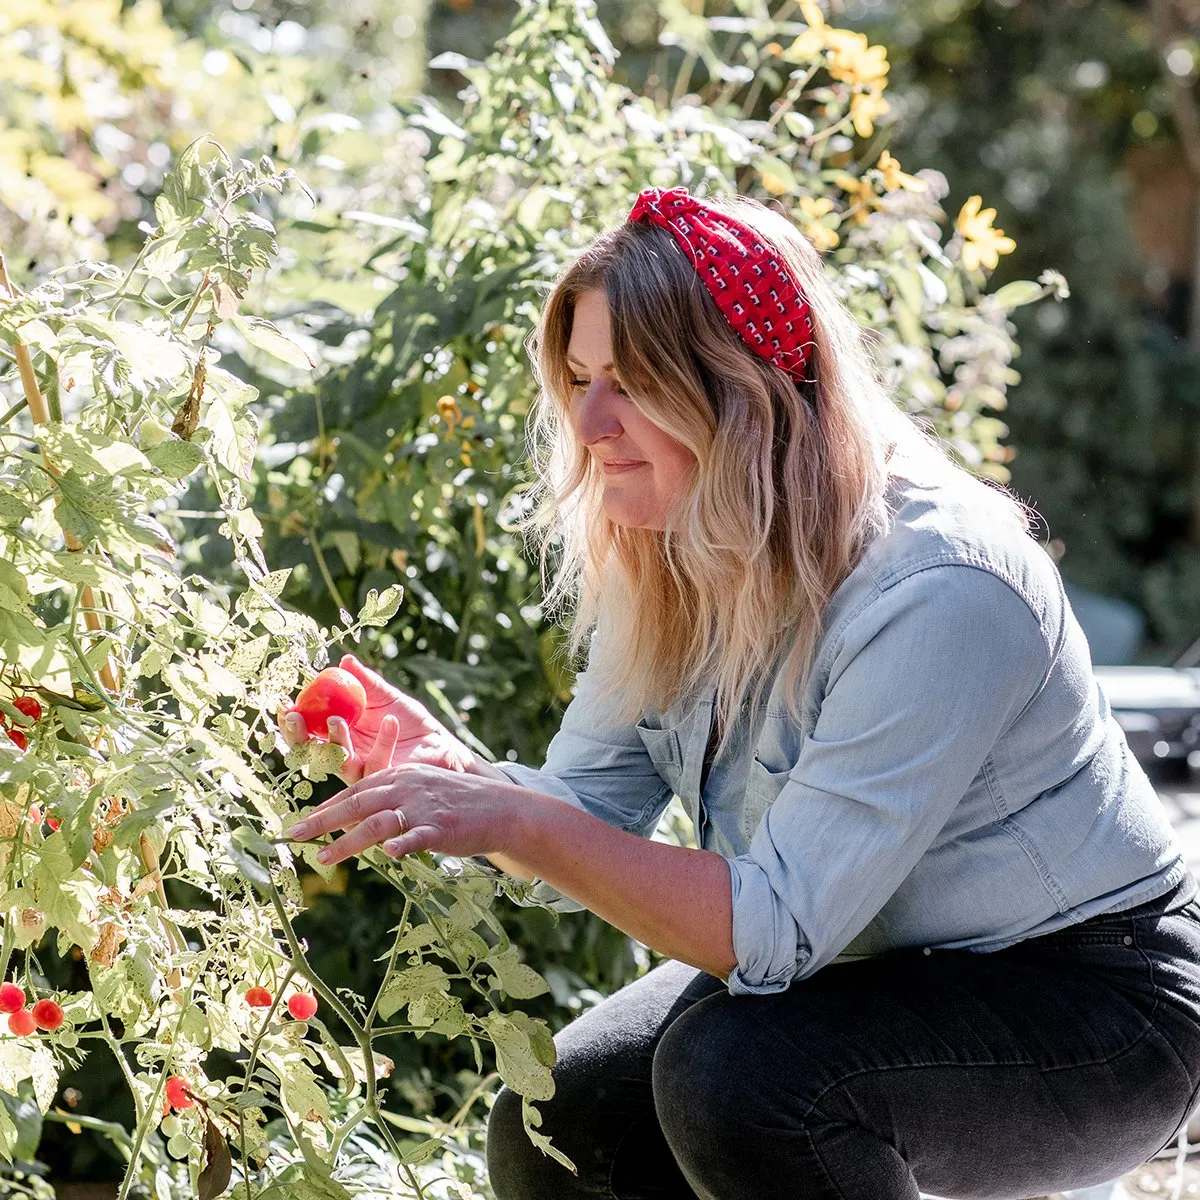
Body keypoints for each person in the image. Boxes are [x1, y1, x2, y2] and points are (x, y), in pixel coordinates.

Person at [283, 186, 1200, 1200]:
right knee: (561, 1116)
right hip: (859, 968)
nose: (589, 423)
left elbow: (770, 933)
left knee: (744, 1081)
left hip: (1093, 1004)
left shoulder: (943, 587)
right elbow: (585, 817)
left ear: (743, 390)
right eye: (580, 379)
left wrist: (505, 815)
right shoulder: (673, 551)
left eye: (630, 383)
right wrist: (453, 781)